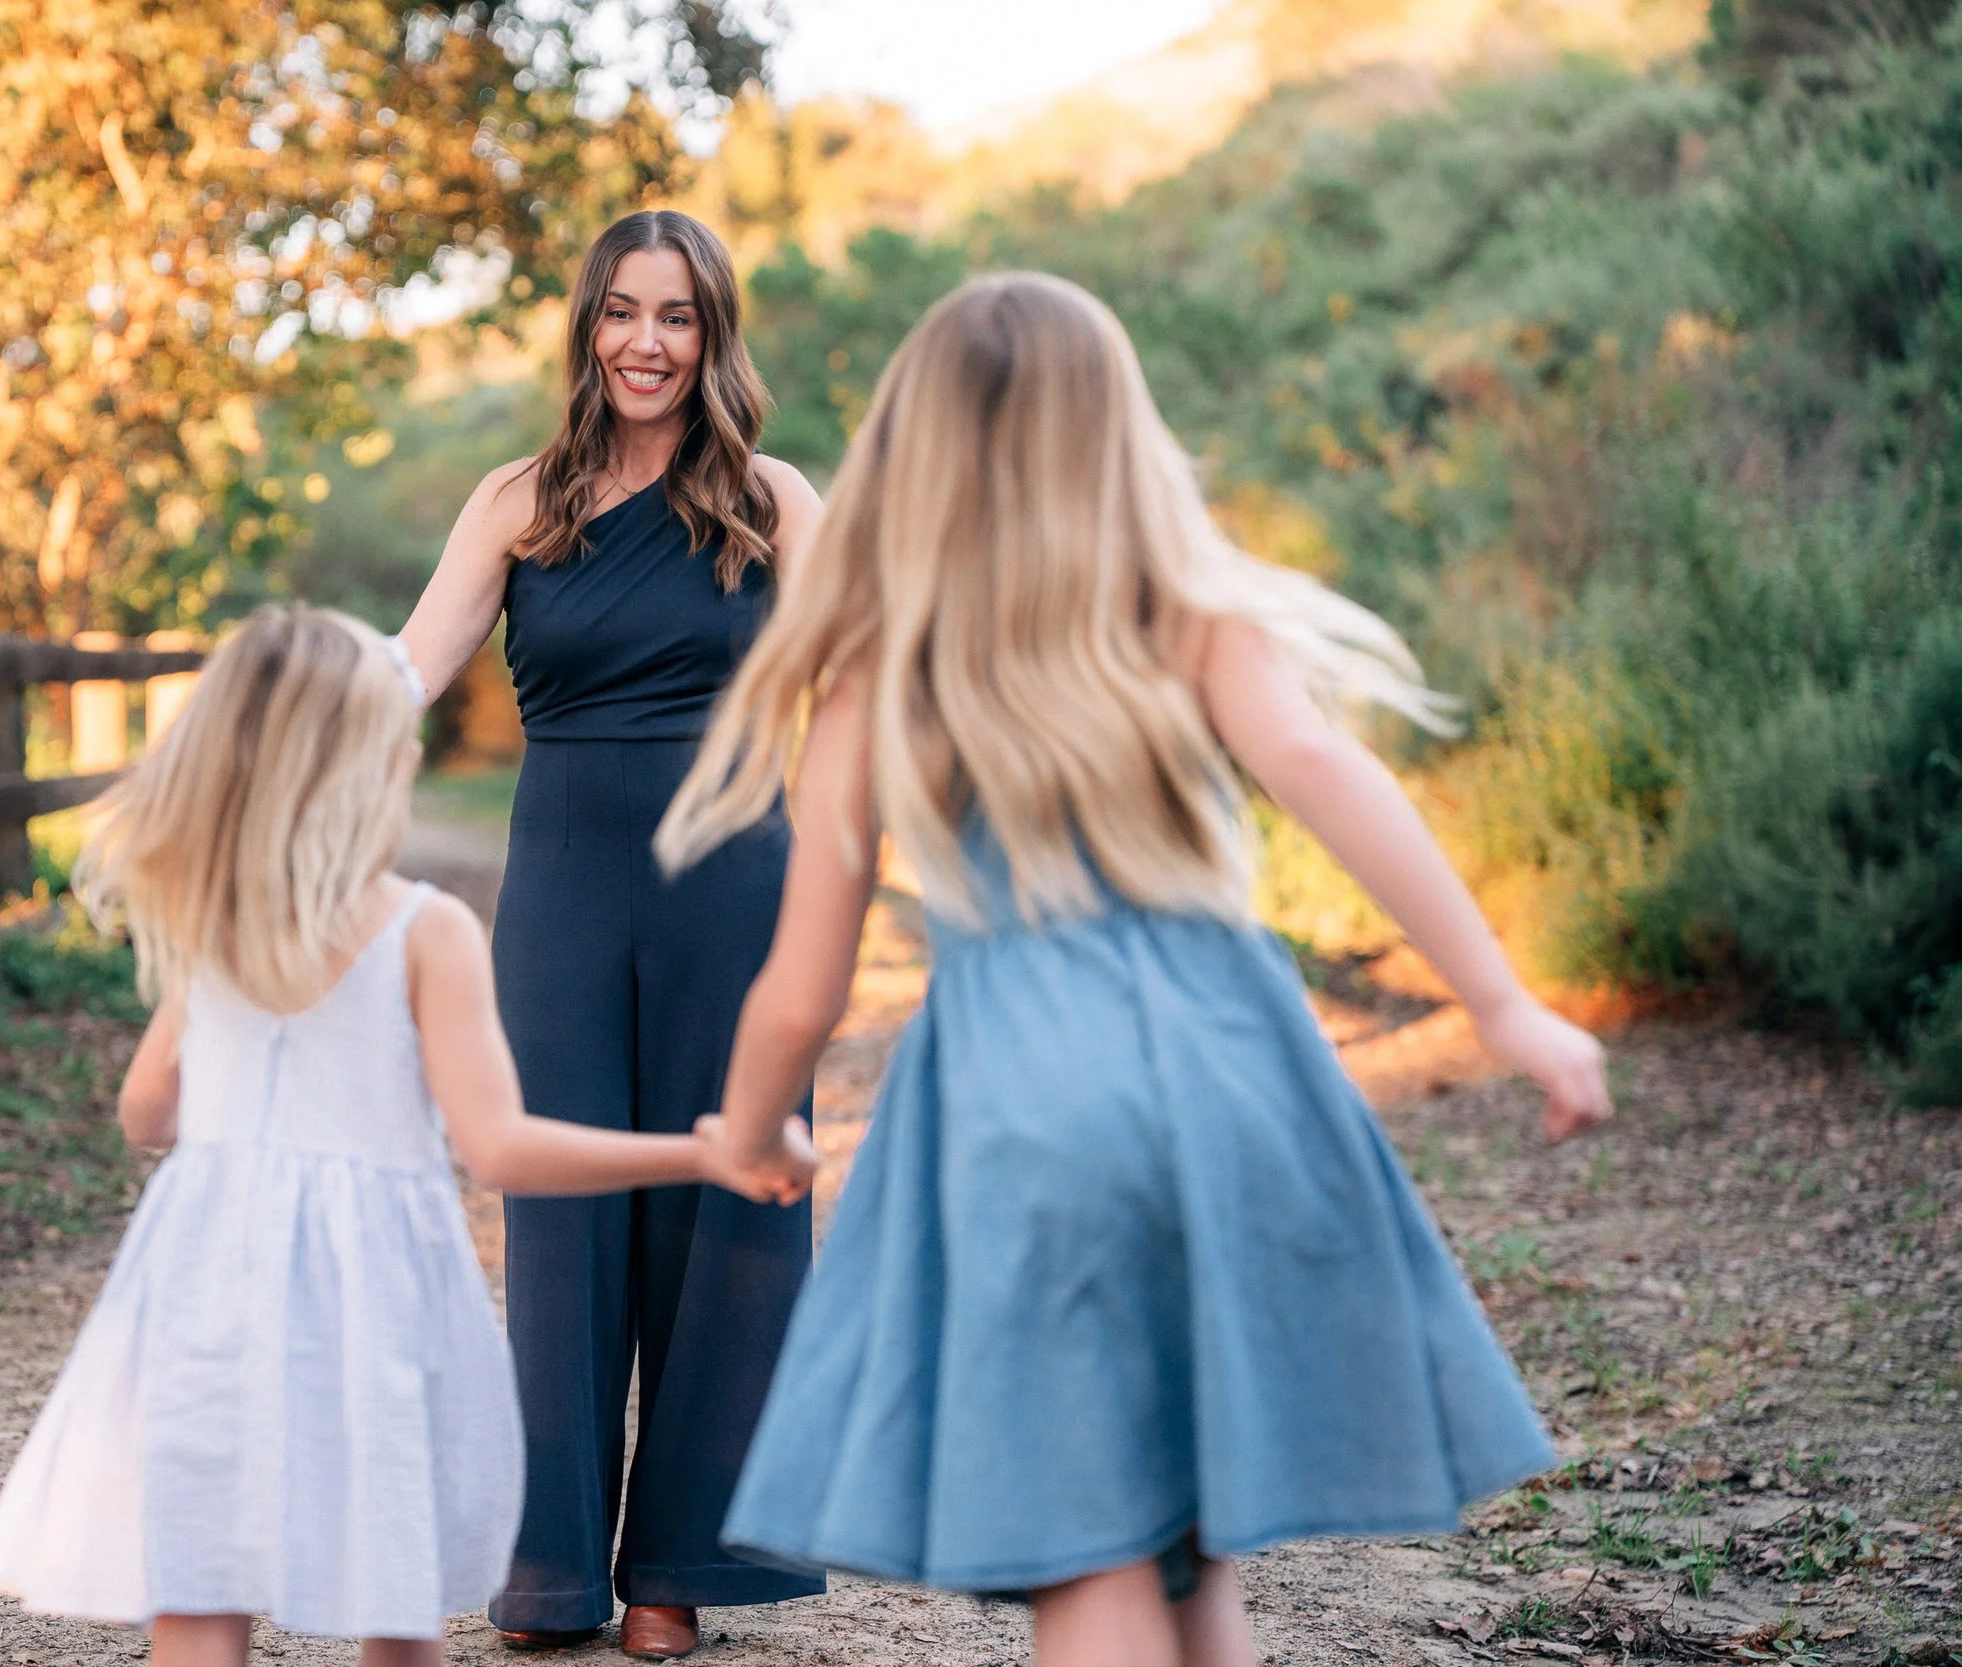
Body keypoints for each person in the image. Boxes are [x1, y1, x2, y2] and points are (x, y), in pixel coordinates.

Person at [655, 273, 1615, 1667]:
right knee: (1187, 1540)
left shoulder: (878, 663)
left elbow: (803, 984)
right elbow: (1324, 769)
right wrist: (1505, 1002)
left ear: (913, 453)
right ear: (1118, 431)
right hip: (1234, 1071)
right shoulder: (1183, 607)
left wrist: (748, 1131)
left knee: (1091, 1556)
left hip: (1020, 1101)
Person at [0, 604, 815, 1667]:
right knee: (392, 1581)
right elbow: (501, 1149)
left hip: (201, 1282)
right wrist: (701, 1151)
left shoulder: (215, 921)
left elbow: (147, 1111)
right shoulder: (425, 930)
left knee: (199, 1591)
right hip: (369, 1294)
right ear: (372, 761)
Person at [398, 209, 827, 1659]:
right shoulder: (519, 499)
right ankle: (552, 1563)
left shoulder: (774, 499)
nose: (649, 341)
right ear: (589, 326)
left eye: (680, 316)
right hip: (564, 884)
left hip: (738, 885)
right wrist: (271, 746)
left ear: (715, 336)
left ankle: (675, 1568)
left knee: (723, 1214)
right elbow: (406, 667)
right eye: (625, 312)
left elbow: (862, 684)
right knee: (561, 1204)